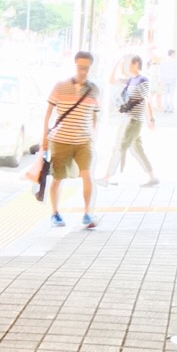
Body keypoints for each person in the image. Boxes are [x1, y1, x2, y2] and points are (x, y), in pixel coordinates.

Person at [41, 51, 100, 229]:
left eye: (86, 68)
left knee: (87, 175)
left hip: (84, 141)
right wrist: (44, 139)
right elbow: (48, 113)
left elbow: (95, 115)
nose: (83, 71)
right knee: (58, 178)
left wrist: (94, 135)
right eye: (80, 67)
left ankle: (87, 214)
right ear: (74, 65)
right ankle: (55, 213)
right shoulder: (60, 86)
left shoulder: (94, 90)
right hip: (61, 140)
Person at [106, 54, 158, 187]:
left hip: (134, 120)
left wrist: (151, 119)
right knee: (137, 150)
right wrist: (117, 62)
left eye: (129, 63)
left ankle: (109, 177)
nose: (127, 66)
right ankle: (152, 177)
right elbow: (111, 80)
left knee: (120, 147)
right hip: (128, 119)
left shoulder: (142, 80)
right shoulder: (131, 80)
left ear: (136, 64)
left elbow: (146, 100)